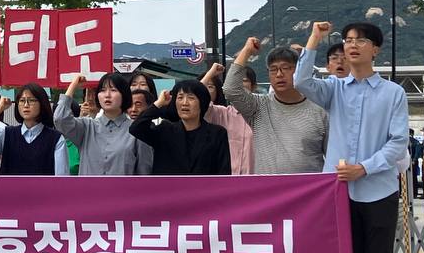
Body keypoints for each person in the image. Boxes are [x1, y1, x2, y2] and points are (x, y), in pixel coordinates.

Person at [297, 21, 409, 253]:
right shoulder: (334, 89)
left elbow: (398, 142)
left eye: (360, 41)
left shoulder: (393, 93)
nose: (352, 46)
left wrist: (365, 168)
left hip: (378, 192)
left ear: (375, 49)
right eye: (347, 41)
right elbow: (301, 81)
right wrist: (314, 39)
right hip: (339, 194)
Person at [223, 38, 328, 174]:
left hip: (310, 186)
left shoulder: (320, 111)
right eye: (273, 69)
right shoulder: (258, 107)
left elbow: (332, 156)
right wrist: (247, 51)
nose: (279, 74)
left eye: (286, 68)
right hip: (268, 186)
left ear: (299, 70)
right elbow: (230, 89)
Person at [55, 72, 151, 175]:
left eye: (113, 90)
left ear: (124, 95)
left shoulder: (137, 130)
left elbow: (144, 173)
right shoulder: (87, 127)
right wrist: (73, 86)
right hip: (89, 186)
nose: (107, 95)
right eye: (102, 90)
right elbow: (60, 119)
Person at [129, 81, 230, 175]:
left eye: (191, 98)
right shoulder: (164, 130)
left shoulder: (217, 134)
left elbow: (224, 172)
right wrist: (159, 103)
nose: (184, 103)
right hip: (169, 188)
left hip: (206, 188)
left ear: (202, 102)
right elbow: (136, 128)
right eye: (180, 98)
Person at [0, 84, 67, 175]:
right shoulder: (7, 134)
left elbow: (61, 177)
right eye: (22, 101)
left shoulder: (56, 138)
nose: (26, 105)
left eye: (31, 100)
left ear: (42, 103)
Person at [201, 64, 255, 175]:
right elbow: (197, 97)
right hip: (226, 180)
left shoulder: (262, 115)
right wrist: (210, 73)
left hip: (256, 179)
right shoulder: (221, 114)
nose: (239, 84)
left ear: (253, 86)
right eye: (235, 81)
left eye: (244, 80)